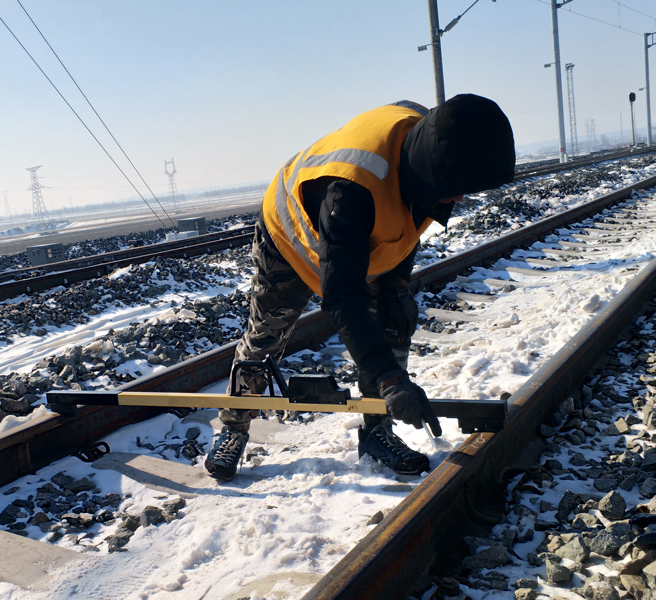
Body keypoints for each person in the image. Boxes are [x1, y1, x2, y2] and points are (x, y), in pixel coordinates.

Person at [204, 94, 516, 481]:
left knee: (394, 314)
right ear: (432, 169)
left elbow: (400, 233)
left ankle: (377, 431)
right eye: (456, 188)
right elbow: (342, 298)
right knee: (268, 333)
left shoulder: (428, 144)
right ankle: (234, 427)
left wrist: (392, 379)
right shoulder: (351, 187)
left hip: (372, 232)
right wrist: (391, 378)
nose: (459, 198)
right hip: (290, 237)